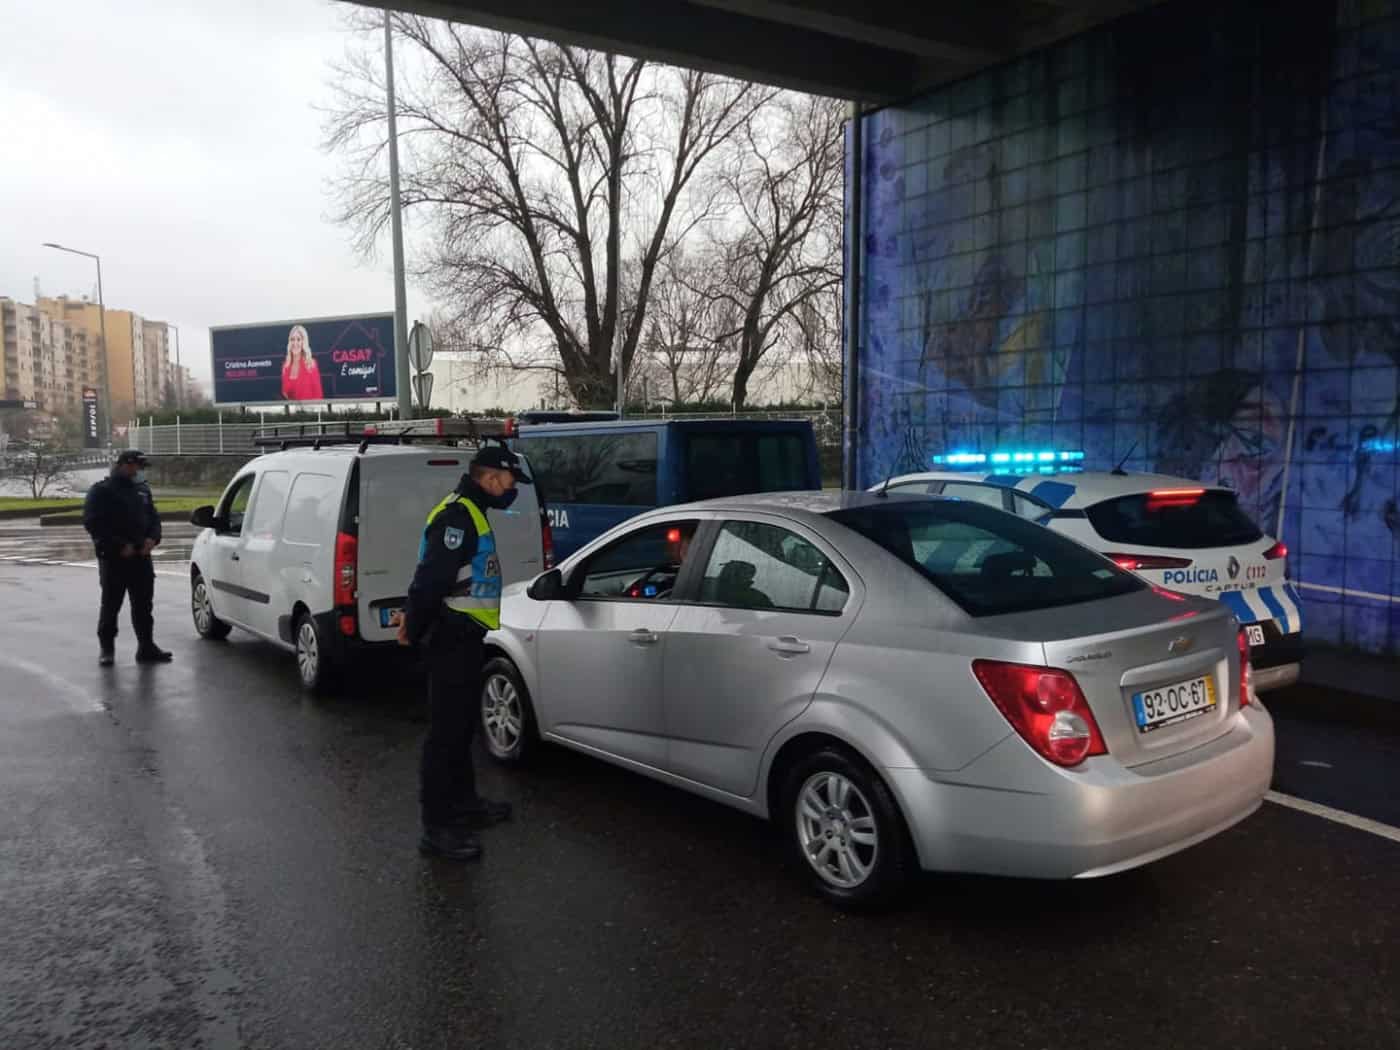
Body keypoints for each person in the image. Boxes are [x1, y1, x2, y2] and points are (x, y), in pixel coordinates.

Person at [398, 444, 531, 861]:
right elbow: (430, 580)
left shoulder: (473, 512)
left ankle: (465, 805)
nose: (512, 490)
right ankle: (436, 828)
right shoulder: (457, 516)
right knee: (444, 735)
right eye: (510, 481)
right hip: (450, 635)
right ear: (490, 477)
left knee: (460, 728)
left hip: (466, 635)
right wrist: (413, 629)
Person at [82, 450, 172, 666]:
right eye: (134, 467)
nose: (137, 471)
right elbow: (93, 524)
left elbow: (153, 518)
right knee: (111, 605)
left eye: (140, 468)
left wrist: (153, 538)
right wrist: (119, 546)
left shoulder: (141, 489)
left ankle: (146, 647)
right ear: (122, 464)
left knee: (143, 605)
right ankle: (107, 649)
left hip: (141, 557)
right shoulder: (101, 491)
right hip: (114, 558)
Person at [280, 324, 324, 401]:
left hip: (310, 411)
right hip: (292, 411)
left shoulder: (311, 364)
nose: (295, 343)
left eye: (298, 339)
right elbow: (285, 394)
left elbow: (318, 395)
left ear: (303, 342)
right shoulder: (285, 366)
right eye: (292, 339)